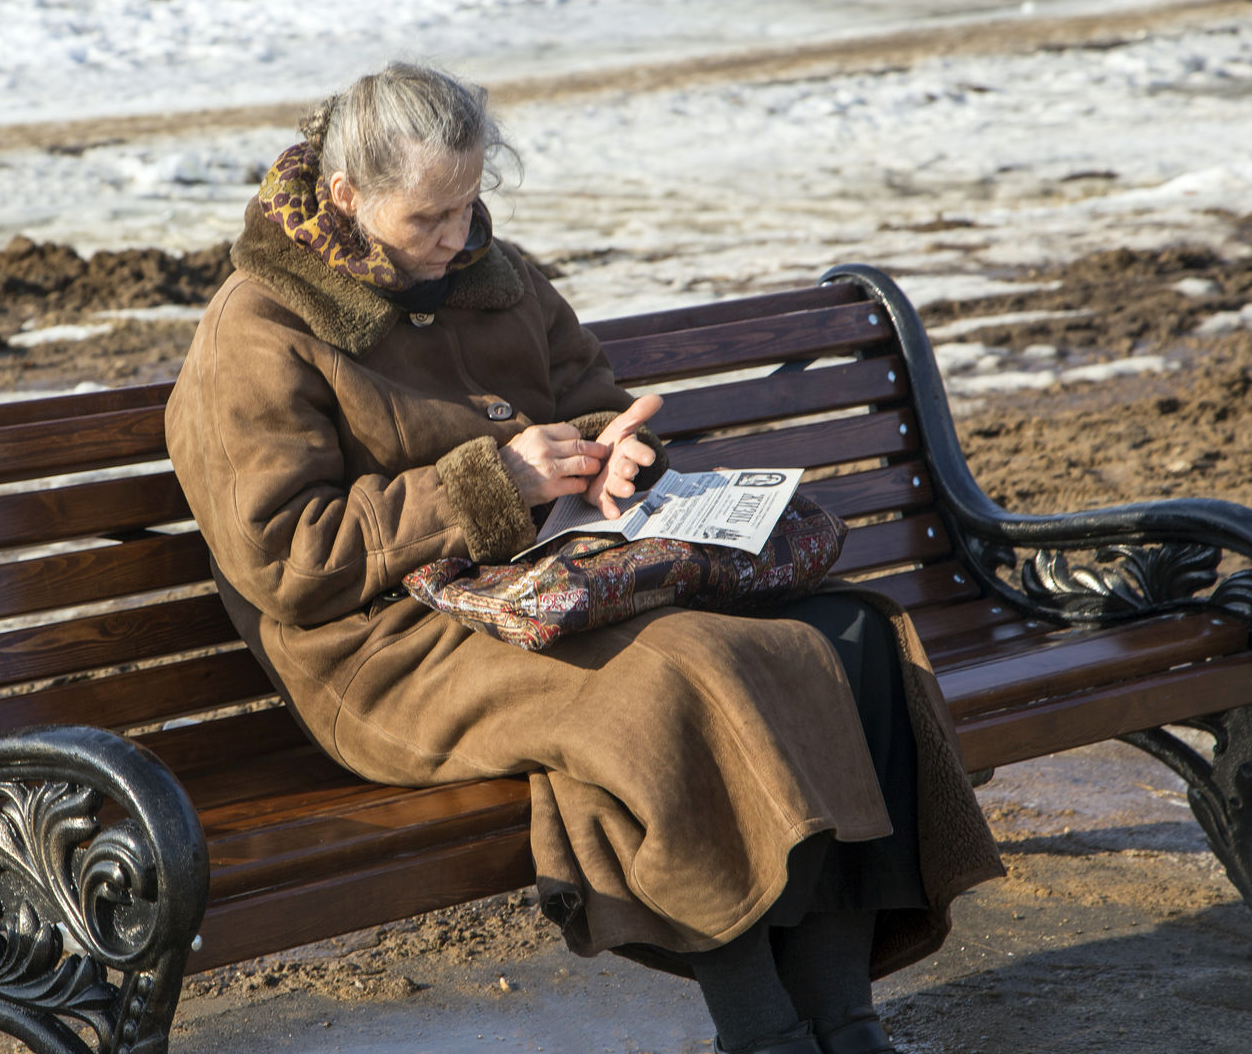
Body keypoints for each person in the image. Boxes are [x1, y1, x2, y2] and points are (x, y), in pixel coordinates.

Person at [165, 62, 1004, 1054]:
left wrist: (611, 455)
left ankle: (845, 1025)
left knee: (847, 635)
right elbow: (284, 561)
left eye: (468, 204)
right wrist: (492, 486)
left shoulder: (497, 277)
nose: (452, 238)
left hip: (560, 585)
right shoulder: (259, 327)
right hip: (388, 648)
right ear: (346, 196)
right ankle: (764, 1035)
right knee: (683, 678)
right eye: (426, 216)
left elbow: (586, 392)